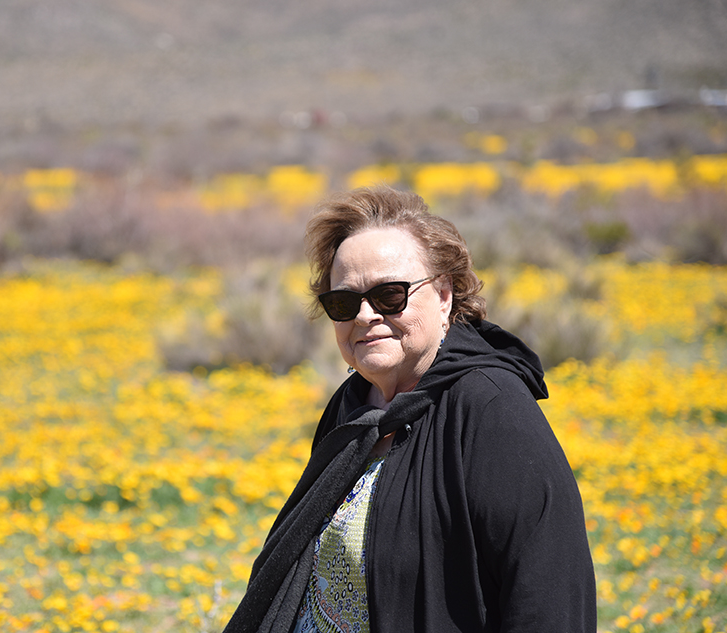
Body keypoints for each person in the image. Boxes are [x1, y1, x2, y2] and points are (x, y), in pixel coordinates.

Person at [224, 186, 596, 632]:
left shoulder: (490, 407)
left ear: (443, 296)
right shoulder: (353, 409)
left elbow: (548, 594)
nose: (364, 316)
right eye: (344, 302)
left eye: (389, 295)